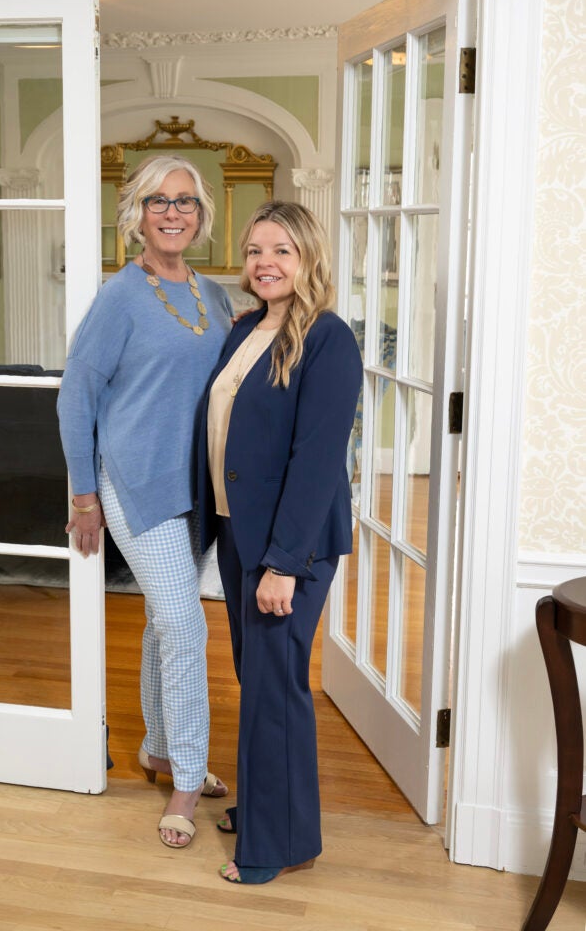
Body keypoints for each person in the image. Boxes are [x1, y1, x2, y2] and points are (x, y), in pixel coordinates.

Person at [57, 154, 233, 849]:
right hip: (134, 483)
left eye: (185, 200)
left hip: (196, 489)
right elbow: (76, 398)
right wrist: (84, 497)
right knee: (186, 627)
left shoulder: (212, 295)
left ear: (201, 215)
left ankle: (159, 749)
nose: (172, 212)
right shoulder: (120, 297)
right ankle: (186, 780)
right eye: (158, 200)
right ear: (135, 213)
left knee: (165, 621)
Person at [197, 200, 363, 884]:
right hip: (241, 529)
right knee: (260, 680)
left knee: (275, 688)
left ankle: (274, 848)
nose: (265, 262)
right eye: (255, 250)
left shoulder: (327, 338)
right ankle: (273, 811)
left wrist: (284, 564)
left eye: (281, 251)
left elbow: (317, 458)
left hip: (288, 545)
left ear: (307, 258)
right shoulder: (246, 328)